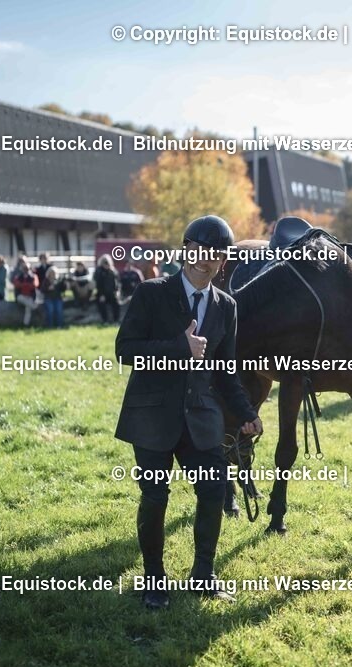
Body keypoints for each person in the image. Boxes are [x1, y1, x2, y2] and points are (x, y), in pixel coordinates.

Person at [115, 215, 262, 609]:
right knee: (154, 495)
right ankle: (154, 579)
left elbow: (225, 370)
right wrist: (178, 348)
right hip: (151, 415)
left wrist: (246, 412)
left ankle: (203, 576)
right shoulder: (151, 293)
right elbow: (125, 350)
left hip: (200, 416)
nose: (206, 260)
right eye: (199, 251)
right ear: (186, 250)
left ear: (224, 261)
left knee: (214, 489)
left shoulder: (227, 307)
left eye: (216, 254)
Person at [11, 256, 39, 327]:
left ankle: (25, 324)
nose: (26, 270)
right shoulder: (18, 276)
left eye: (27, 269)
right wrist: (27, 285)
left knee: (28, 308)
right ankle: (35, 307)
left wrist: (23, 285)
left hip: (30, 296)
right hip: (21, 296)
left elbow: (35, 285)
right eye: (24, 268)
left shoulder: (33, 276)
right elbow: (16, 285)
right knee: (21, 299)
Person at [94, 255, 120, 323]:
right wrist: (101, 295)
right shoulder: (99, 271)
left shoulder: (113, 271)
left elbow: (117, 283)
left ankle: (116, 320)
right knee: (101, 303)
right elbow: (98, 284)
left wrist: (117, 291)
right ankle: (105, 320)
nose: (106, 264)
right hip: (102, 293)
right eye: (105, 263)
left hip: (112, 293)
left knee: (116, 302)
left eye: (107, 263)